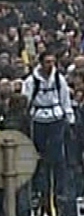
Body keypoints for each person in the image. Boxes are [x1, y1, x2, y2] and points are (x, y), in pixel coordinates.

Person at [21, 51, 74, 207]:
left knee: (57, 157)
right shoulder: (31, 82)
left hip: (56, 119)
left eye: (52, 62)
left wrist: (69, 118)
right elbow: (26, 100)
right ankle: (39, 190)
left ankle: (58, 190)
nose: (50, 66)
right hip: (38, 120)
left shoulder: (59, 80)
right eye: (47, 62)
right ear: (41, 63)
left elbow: (65, 99)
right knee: (39, 157)